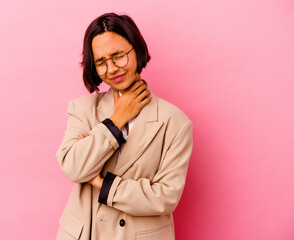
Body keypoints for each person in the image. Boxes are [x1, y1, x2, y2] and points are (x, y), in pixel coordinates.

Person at [55, 12, 193, 240]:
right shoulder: (82, 109)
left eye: (118, 56)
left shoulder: (175, 121)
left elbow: (165, 198)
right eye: (100, 62)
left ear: (136, 50)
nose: (111, 69)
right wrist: (116, 120)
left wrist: (101, 183)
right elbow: (73, 168)